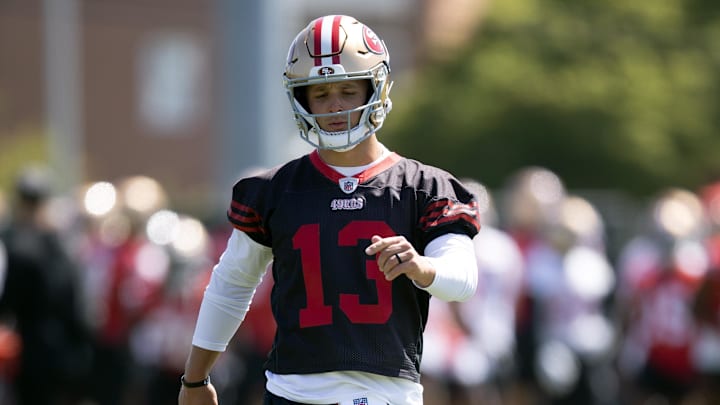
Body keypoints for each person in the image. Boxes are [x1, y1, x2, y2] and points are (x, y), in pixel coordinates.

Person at [178, 14, 480, 405]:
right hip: (293, 393)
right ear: (300, 98)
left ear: (376, 88)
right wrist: (196, 379)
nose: (334, 106)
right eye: (320, 94)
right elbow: (232, 284)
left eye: (347, 91)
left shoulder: (424, 187)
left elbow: (463, 279)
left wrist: (422, 267)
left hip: (388, 395)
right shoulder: (275, 190)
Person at [0, 165, 92, 405]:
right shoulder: (65, 244)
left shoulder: (16, 245)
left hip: (30, 350)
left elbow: (8, 302)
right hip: (65, 349)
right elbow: (78, 305)